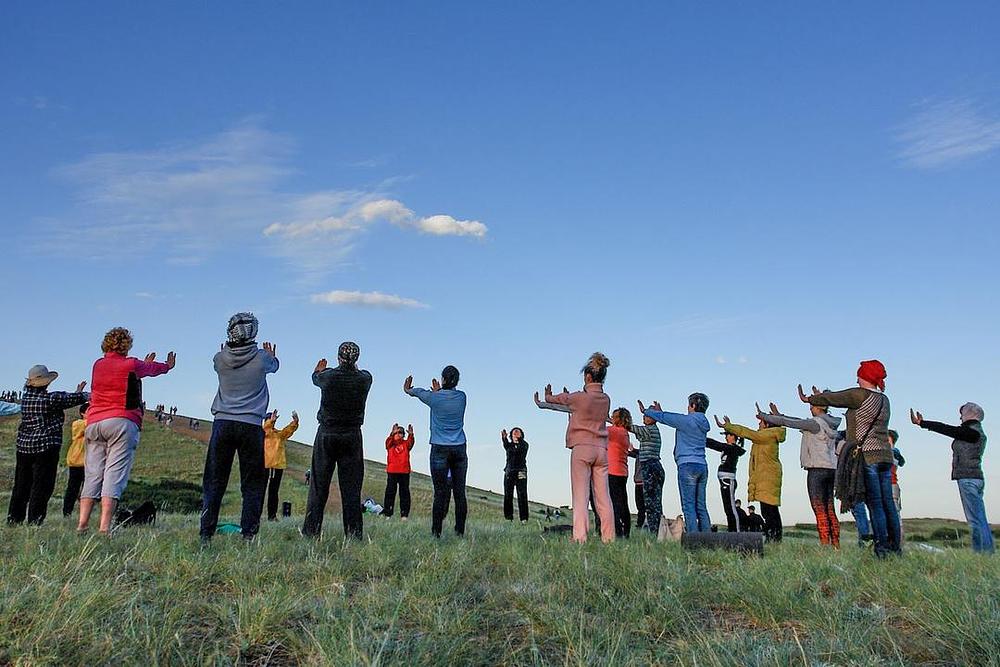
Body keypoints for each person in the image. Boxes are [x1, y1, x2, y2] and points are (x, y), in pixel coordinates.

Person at [803, 359, 898, 558]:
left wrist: (814, 398)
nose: (856, 377)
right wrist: (823, 397)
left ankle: (881, 549)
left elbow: (838, 397)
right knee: (888, 503)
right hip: (885, 456)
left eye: (859, 374)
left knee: (876, 503)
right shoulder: (884, 399)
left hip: (868, 455)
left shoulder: (860, 395)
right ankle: (895, 547)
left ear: (864, 376)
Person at [200, 313, 278, 543]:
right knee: (252, 482)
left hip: (222, 423)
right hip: (252, 425)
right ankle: (248, 534)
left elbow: (219, 360)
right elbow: (275, 366)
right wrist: (272, 354)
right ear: (253, 331)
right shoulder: (263, 358)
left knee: (214, 480)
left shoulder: (219, 358)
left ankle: (206, 533)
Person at [538, 353, 614, 543]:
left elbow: (564, 398)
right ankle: (609, 538)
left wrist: (548, 396)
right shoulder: (606, 399)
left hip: (582, 448)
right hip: (602, 450)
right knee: (604, 497)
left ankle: (580, 537)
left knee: (581, 496)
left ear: (588, 377)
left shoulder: (580, 397)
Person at [303, 342, 373, 539]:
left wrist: (318, 370)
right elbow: (361, 373)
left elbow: (315, 378)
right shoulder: (365, 379)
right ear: (357, 359)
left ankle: (311, 532)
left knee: (319, 485)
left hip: (327, 433)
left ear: (338, 357)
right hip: (352, 435)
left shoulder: (328, 376)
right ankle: (353, 534)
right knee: (351, 488)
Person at [8, 365, 88, 525]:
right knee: (41, 486)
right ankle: (35, 521)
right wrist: (83, 394)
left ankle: (14, 519)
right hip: (46, 448)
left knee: (21, 485)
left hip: (24, 447)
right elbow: (70, 399)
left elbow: (66, 399)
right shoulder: (51, 399)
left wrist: (77, 393)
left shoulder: (26, 400)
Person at [911, 403, 993, 554]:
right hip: (974, 478)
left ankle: (983, 553)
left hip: (968, 479)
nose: (960, 416)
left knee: (975, 520)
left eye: (962, 413)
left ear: (971, 414)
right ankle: (984, 552)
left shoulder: (972, 432)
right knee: (979, 518)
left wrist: (922, 423)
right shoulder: (973, 432)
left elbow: (947, 429)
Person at [759, 399, 842, 547]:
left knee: (819, 508)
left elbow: (791, 423)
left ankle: (824, 544)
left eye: (812, 406)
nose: (810, 409)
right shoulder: (830, 424)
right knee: (830, 508)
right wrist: (779, 415)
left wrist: (767, 417)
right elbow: (796, 421)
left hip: (817, 469)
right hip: (831, 468)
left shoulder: (815, 423)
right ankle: (835, 544)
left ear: (819, 407)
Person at [405, 365, 468, 537]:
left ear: (443, 379)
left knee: (440, 493)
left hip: (439, 448)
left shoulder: (433, 398)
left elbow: (417, 392)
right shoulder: (462, 397)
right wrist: (439, 391)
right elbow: (443, 396)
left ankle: (436, 533)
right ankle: (459, 532)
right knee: (460, 492)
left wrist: (408, 389)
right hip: (459, 447)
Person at [642, 393, 712, 533]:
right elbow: (666, 417)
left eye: (689, 404)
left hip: (687, 466)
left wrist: (647, 411)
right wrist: (660, 412)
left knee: (688, 506)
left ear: (693, 405)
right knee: (701, 506)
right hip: (702, 465)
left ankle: (694, 541)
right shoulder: (703, 423)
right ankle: (708, 539)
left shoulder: (687, 421)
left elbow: (666, 418)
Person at [717, 413, 787, 542]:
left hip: (768, 478)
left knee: (769, 511)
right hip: (766, 477)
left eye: (761, 422)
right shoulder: (765, 436)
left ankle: (775, 539)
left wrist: (729, 427)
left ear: (767, 425)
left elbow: (748, 433)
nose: (758, 424)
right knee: (769, 511)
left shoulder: (767, 435)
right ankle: (774, 539)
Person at [705, 431, 746, 532]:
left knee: (731, 508)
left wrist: (703, 439)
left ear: (733, 436)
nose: (726, 437)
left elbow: (716, 445)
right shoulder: (730, 448)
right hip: (725, 481)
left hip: (728, 480)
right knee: (728, 508)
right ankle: (732, 531)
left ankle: (736, 532)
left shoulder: (733, 448)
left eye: (727, 435)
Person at [263, 410, 298, 521]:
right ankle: (257, 514)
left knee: (274, 492)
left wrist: (295, 422)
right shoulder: (265, 432)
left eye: (274, 419)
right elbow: (266, 428)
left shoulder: (278, 434)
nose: (273, 420)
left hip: (278, 466)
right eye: (270, 419)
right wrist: (270, 421)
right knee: (261, 490)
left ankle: (272, 516)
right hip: (268, 465)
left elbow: (287, 431)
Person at [606, 408, 636, 538]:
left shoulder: (614, 432)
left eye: (614, 416)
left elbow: (597, 428)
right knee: (623, 502)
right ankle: (626, 532)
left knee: (614, 503)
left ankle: (618, 532)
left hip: (612, 471)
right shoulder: (624, 433)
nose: (612, 418)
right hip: (622, 472)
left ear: (619, 419)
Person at [384, 423, 415, 519]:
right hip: (392, 471)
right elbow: (387, 444)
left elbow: (411, 443)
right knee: (390, 493)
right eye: (397, 432)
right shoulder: (390, 443)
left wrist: (411, 434)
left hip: (404, 472)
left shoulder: (405, 443)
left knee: (404, 493)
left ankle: (404, 515)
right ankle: (388, 513)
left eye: (401, 432)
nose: (398, 434)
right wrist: (391, 434)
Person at [63, 404, 88, 517]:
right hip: (77, 461)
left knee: (88, 490)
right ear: (82, 413)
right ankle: (67, 512)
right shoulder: (78, 424)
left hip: (90, 463)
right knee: (73, 488)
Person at [501, 427, 530, 523]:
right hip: (509, 471)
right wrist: (504, 438)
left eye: (518, 432)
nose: (516, 433)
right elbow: (505, 444)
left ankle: (524, 519)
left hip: (521, 471)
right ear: (511, 435)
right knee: (508, 494)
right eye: (514, 432)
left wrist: (519, 440)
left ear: (521, 434)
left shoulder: (524, 445)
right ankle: (509, 518)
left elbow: (521, 450)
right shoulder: (509, 446)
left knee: (522, 494)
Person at [889, 430, 905, 542]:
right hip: (892, 485)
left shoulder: (894, 452)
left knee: (895, 514)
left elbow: (901, 461)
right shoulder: (895, 453)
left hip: (891, 485)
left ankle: (898, 541)